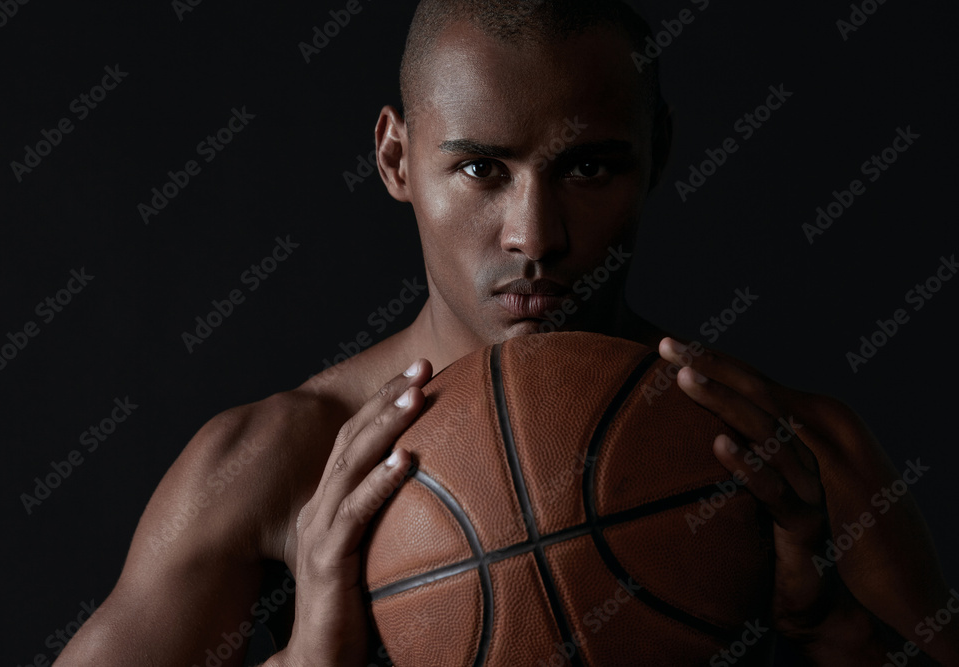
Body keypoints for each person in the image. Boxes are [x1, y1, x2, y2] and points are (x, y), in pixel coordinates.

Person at [55, 1, 957, 665]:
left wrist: (830, 627)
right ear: (397, 158)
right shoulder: (274, 462)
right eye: (483, 168)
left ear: (659, 155)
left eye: (590, 167)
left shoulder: (793, 458)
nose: (536, 235)